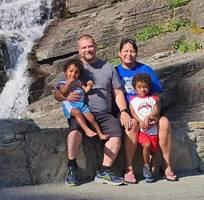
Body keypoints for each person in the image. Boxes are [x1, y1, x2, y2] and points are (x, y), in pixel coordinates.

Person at [54, 34, 132, 186]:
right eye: (83, 47)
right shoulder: (74, 69)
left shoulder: (108, 67)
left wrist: (123, 111)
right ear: (78, 50)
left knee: (116, 133)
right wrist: (66, 98)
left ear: (95, 47)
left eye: (90, 46)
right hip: (81, 113)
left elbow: (118, 92)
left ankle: (104, 171)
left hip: (103, 114)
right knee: (74, 131)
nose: (87, 50)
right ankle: (71, 168)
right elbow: (57, 93)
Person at [116, 37, 177, 181]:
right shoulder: (115, 72)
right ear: (119, 53)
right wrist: (123, 113)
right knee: (132, 124)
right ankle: (128, 168)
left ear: (136, 53)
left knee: (164, 122)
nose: (128, 54)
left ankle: (166, 166)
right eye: (125, 51)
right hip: (128, 113)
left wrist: (154, 116)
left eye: (132, 51)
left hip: (149, 111)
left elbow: (156, 97)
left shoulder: (145, 69)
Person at [57, 59, 109, 140]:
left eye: (76, 72)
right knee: (77, 113)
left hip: (81, 104)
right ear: (65, 72)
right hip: (70, 105)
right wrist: (68, 83)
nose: (73, 74)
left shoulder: (79, 82)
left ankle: (100, 134)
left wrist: (89, 86)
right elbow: (63, 92)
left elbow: (84, 91)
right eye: (71, 71)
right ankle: (86, 130)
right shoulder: (63, 83)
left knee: (91, 118)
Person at [130, 73, 160, 183]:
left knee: (155, 153)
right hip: (143, 131)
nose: (143, 89)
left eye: (145, 87)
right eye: (139, 87)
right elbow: (133, 113)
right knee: (146, 145)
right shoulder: (133, 100)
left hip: (153, 131)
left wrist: (149, 117)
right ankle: (146, 166)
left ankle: (153, 171)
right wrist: (139, 121)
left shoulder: (152, 99)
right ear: (135, 88)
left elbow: (156, 110)